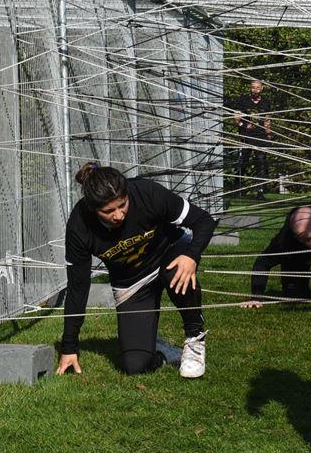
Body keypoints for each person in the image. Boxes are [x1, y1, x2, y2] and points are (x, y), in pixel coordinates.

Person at [58, 162, 218, 378]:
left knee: (175, 270)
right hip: (131, 282)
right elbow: (78, 287)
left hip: (168, 254)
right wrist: (69, 347)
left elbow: (203, 220)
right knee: (134, 366)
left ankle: (194, 338)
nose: (118, 215)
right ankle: (161, 350)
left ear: (127, 194)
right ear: (93, 209)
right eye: (108, 211)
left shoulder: (146, 193)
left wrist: (191, 256)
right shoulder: (79, 226)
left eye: (122, 205)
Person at [232, 79, 273, 195]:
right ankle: (237, 188)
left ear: (262, 89)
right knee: (243, 161)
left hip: (261, 136)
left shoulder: (266, 102)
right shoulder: (242, 101)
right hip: (246, 136)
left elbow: (267, 120)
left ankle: (260, 190)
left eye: (258, 88)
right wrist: (244, 125)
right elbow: (236, 119)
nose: (255, 90)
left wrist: (269, 134)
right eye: (253, 87)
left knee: (261, 162)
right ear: (250, 88)